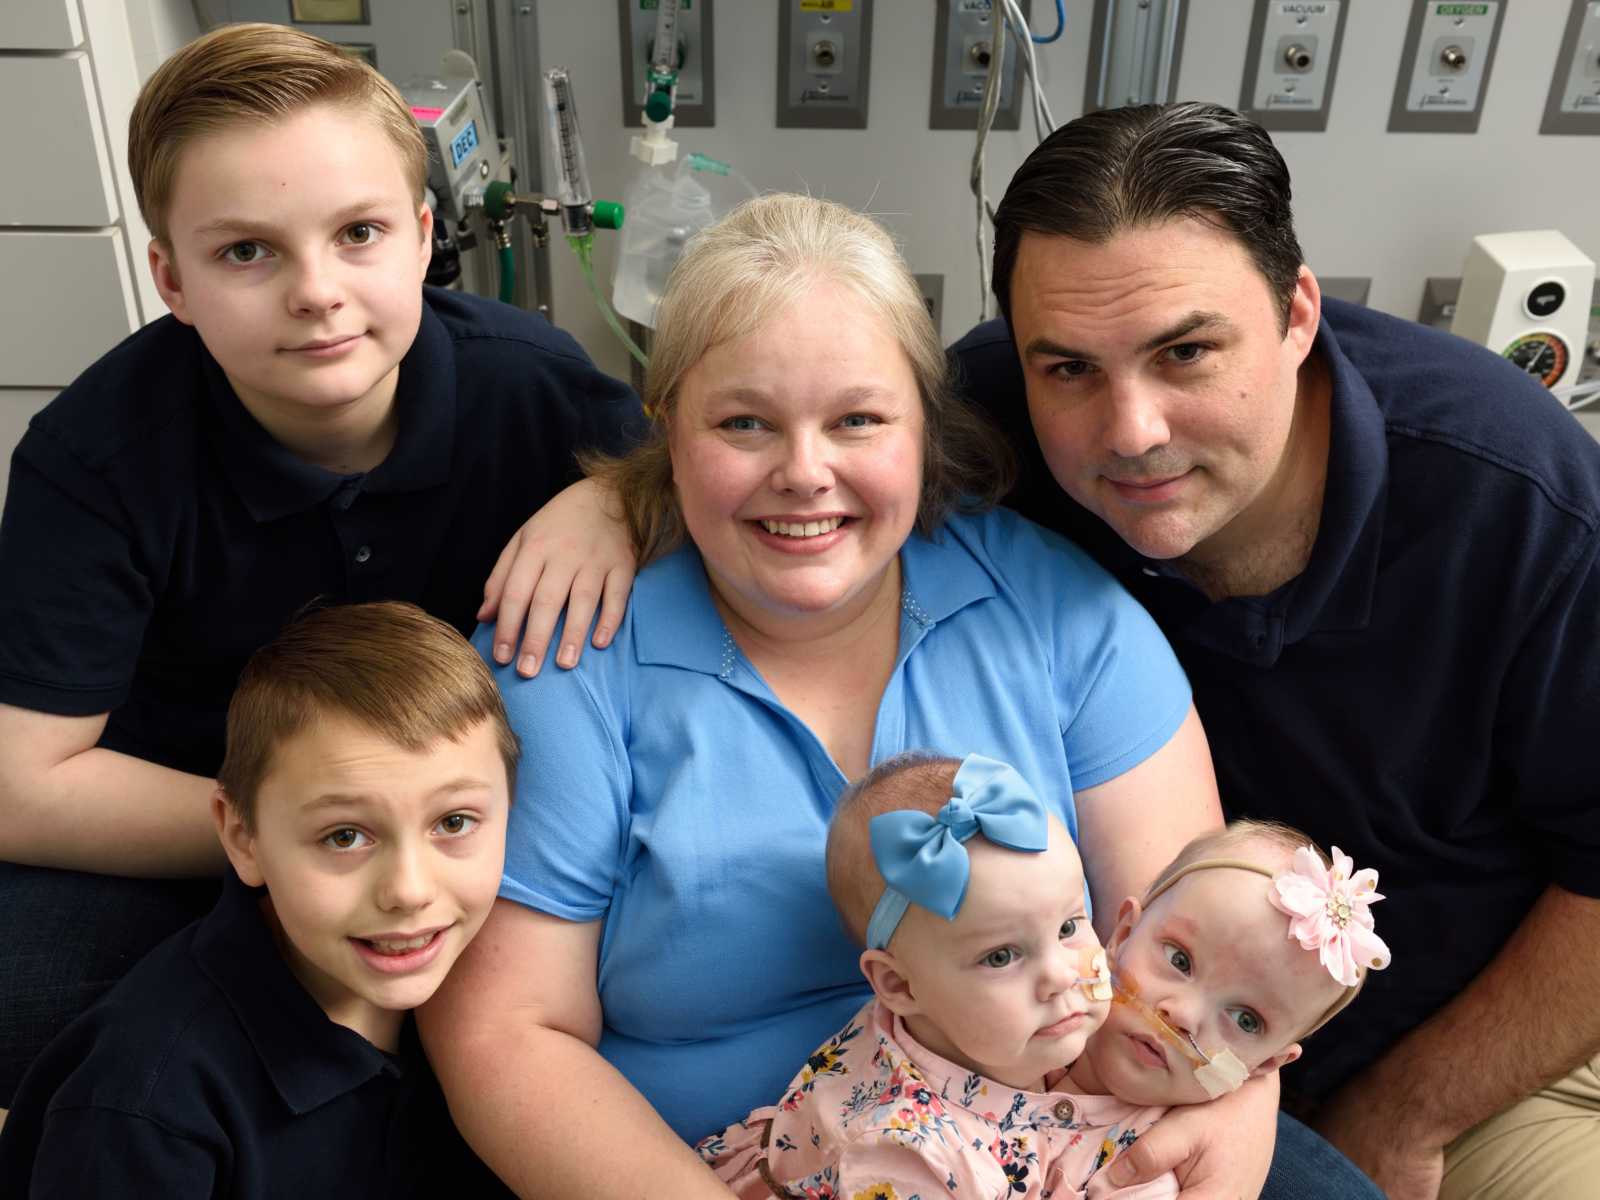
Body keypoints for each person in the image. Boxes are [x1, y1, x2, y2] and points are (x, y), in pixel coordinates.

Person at [420, 193, 1260, 1200]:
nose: (804, 473)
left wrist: (1218, 1124)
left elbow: (1203, 959)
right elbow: (509, 1036)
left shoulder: (1061, 619)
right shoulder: (563, 658)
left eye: (857, 420)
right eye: (744, 424)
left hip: (1080, 1155)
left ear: (921, 423)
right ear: (669, 429)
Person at [944, 101, 1600, 1200]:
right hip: (1102, 1049)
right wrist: (617, 514)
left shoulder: (1518, 505)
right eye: (1066, 370)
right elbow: (778, 460)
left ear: (1298, 313)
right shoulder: (992, 421)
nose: (1130, 429)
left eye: (1187, 352)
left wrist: (1405, 1115)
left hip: (1468, 1052)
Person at [0, 22, 641, 1102]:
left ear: (425, 234)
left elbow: (722, 494)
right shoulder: (97, 455)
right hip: (197, 813)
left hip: (460, 823)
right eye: (247, 251)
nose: (316, 291)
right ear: (171, 277)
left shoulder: (540, 394)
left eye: (358, 233)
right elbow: (24, 787)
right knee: (28, 1010)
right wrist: (301, 845)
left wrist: (619, 496)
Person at [0, 602, 517, 1197]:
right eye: (344, 836)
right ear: (243, 838)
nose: (409, 890)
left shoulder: (489, 1018)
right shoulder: (144, 1110)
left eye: (453, 822)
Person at [699, 755, 1388, 1200]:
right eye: (1002, 956)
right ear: (1124, 931)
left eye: (1246, 1021)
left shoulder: (1136, 1162)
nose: (1062, 975)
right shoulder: (907, 1150)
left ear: (1265, 1066)